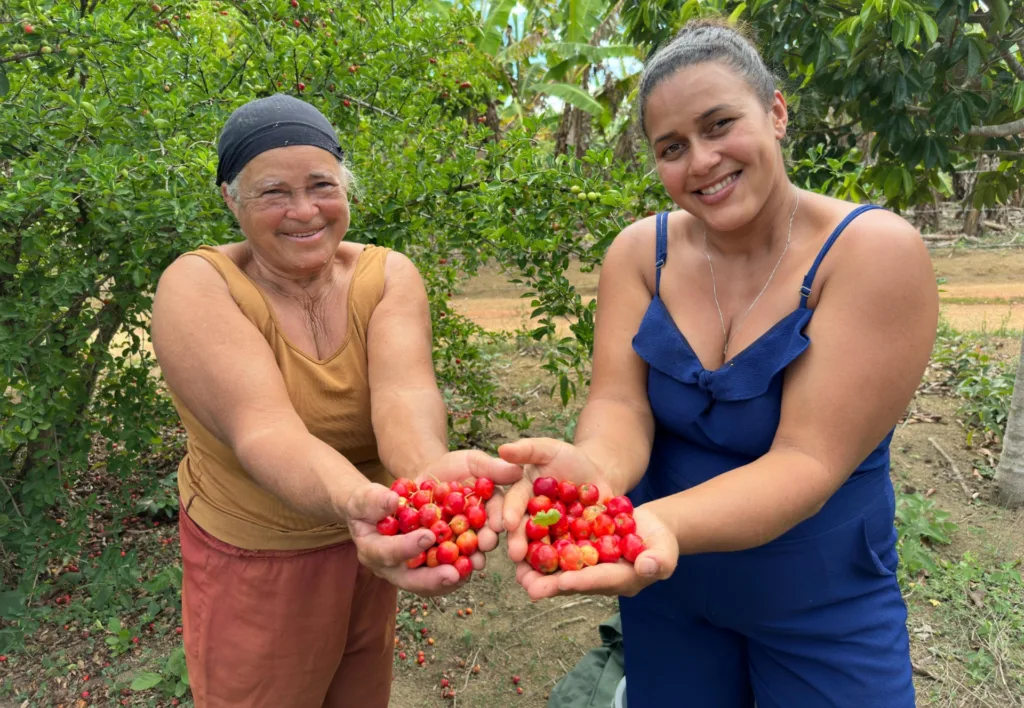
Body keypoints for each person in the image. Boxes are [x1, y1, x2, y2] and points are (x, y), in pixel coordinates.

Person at [500, 18, 938, 708]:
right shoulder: (641, 253)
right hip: (668, 593)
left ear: (776, 112)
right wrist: (594, 475)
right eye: (671, 147)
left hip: (818, 600)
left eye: (719, 124)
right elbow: (620, 406)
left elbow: (808, 460)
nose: (700, 161)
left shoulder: (872, 254)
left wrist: (658, 524)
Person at [150, 93, 521, 708]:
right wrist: (357, 500)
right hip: (257, 561)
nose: (304, 211)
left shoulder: (386, 275)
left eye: (321, 185)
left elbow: (403, 396)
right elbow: (265, 430)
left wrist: (427, 477)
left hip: (370, 543)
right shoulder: (199, 286)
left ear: (346, 189)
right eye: (273, 192)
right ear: (231, 201)